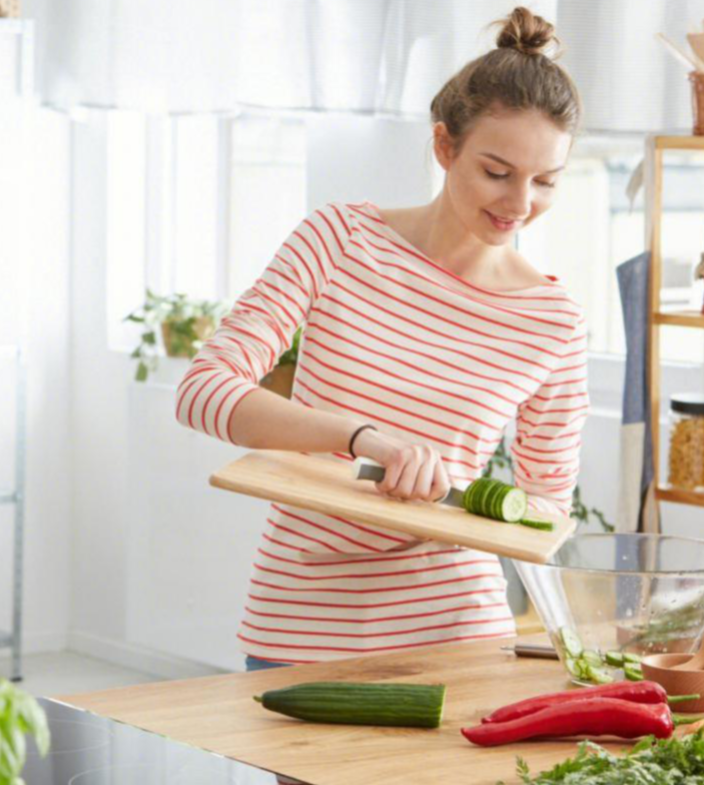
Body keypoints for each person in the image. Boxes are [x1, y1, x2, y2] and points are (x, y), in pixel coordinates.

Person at [176, 6, 588, 671]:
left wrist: (456, 494)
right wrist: (362, 438)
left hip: (459, 633)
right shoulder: (339, 240)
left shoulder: (553, 319)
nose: (518, 205)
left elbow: (545, 506)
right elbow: (202, 392)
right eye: (496, 171)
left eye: (544, 181)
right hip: (299, 624)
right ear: (444, 146)